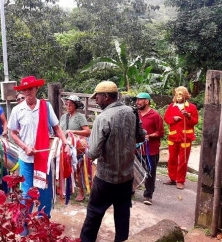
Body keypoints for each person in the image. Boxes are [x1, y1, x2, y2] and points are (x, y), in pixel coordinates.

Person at [80, 81, 145, 242]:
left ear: (106, 96)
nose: (96, 100)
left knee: (94, 214)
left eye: (98, 97)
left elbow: (93, 153)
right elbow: (141, 136)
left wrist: (84, 148)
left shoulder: (103, 118)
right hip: (126, 177)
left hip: (106, 179)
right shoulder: (132, 112)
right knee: (123, 215)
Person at [8, 75, 70, 234]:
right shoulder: (17, 110)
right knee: (27, 192)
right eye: (25, 89)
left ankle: (44, 220)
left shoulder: (46, 107)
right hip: (26, 158)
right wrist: (24, 146)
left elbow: (57, 128)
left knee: (44, 192)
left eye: (31, 88)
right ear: (22, 91)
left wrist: (66, 143)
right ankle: (23, 224)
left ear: (36, 89)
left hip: (43, 158)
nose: (28, 91)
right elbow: (13, 133)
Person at [163, 86, 198, 190]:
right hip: (173, 137)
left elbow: (195, 121)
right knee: (172, 159)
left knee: (183, 161)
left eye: (181, 94)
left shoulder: (191, 107)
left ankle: (180, 181)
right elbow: (166, 118)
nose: (179, 96)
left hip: (185, 138)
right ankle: (172, 178)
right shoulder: (171, 106)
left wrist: (188, 116)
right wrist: (173, 118)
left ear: (185, 95)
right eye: (177, 94)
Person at [59, 95, 90, 202]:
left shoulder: (79, 117)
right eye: (67, 104)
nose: (68, 106)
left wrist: (73, 132)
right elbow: (59, 130)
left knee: (78, 170)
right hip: (64, 146)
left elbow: (87, 131)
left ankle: (81, 192)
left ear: (75, 106)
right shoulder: (63, 117)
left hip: (76, 147)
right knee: (62, 167)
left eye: (70, 104)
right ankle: (64, 190)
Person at [135, 92, 164, 205]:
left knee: (150, 172)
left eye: (140, 100)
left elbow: (161, 132)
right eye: (136, 100)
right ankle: (131, 190)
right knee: (133, 170)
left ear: (147, 101)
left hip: (151, 150)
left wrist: (149, 136)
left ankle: (148, 195)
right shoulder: (135, 114)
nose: (137, 102)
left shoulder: (155, 115)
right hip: (136, 149)